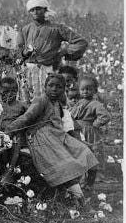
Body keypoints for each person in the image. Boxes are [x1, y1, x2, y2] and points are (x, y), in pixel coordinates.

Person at [7, 74, 99, 203]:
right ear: (45, 87)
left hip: (57, 136)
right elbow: (26, 118)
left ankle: (80, 191)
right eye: (51, 86)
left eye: (59, 87)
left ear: (63, 89)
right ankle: (79, 199)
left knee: (84, 152)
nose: (54, 89)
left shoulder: (57, 103)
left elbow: (63, 124)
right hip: (42, 138)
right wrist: (8, 131)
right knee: (66, 164)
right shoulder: (41, 100)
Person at [17, 0, 88, 98]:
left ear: (45, 10)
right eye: (32, 10)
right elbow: (17, 50)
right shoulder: (25, 29)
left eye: (38, 9)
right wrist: (24, 53)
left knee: (48, 99)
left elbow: (81, 42)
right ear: (29, 12)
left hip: (48, 69)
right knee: (26, 99)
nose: (35, 12)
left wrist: (64, 52)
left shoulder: (57, 28)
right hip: (28, 70)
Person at [70, 75, 111, 190]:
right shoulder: (79, 103)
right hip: (77, 131)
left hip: (89, 132)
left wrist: (95, 124)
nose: (85, 91)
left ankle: (89, 182)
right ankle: (80, 181)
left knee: (92, 155)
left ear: (94, 90)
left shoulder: (96, 104)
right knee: (79, 155)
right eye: (83, 89)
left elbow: (105, 116)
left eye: (89, 89)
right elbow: (71, 114)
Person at [0, 77, 28, 183]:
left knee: (16, 143)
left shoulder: (21, 105)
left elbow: (28, 118)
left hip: (16, 134)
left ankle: (10, 169)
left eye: (13, 91)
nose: (10, 94)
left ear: (17, 92)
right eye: (5, 92)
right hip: (0, 133)